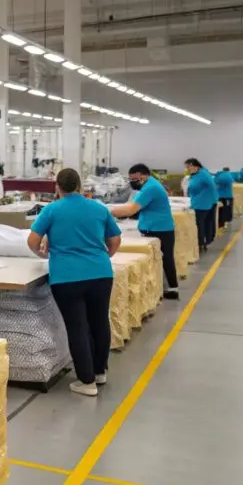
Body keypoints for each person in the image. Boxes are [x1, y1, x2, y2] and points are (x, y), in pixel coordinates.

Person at [28, 168, 121, 396]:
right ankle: (100, 372)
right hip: (100, 274)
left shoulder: (51, 210)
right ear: (80, 186)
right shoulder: (99, 208)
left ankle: (86, 381)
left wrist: (43, 254)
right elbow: (115, 239)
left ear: (57, 187)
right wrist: (104, 256)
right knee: (99, 322)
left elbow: (32, 240)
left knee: (77, 326)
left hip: (67, 277)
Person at [111, 164, 178, 300]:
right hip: (157, 227)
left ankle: (172, 288)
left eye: (133, 179)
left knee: (165, 259)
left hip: (159, 229)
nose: (132, 182)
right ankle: (164, 288)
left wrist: (105, 211)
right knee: (161, 259)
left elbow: (131, 209)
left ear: (142, 175)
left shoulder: (150, 188)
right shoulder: (150, 185)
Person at [185, 158, 217, 253]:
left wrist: (211, 199)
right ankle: (202, 242)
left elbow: (212, 187)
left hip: (202, 204)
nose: (187, 169)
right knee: (201, 224)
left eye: (188, 167)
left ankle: (201, 243)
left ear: (195, 165)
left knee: (200, 224)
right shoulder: (198, 174)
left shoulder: (203, 174)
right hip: (201, 202)